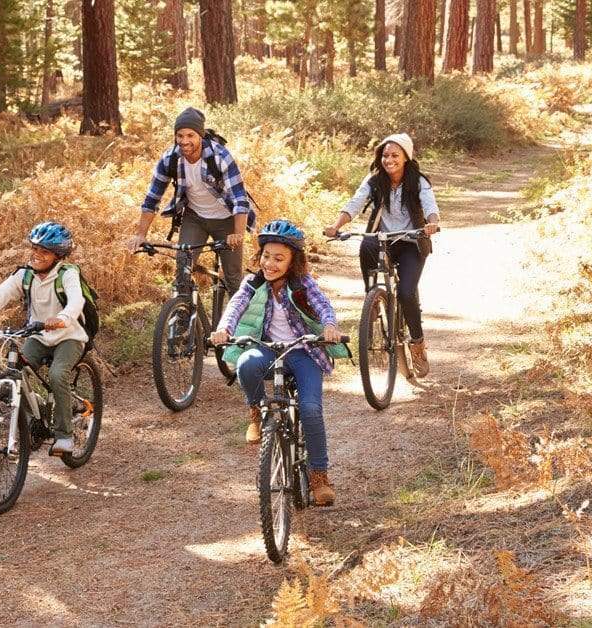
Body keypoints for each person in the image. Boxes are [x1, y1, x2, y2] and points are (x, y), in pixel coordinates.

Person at [210, 220, 343, 506]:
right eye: (266, 256)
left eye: (279, 259)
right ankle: (257, 412)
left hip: (304, 352)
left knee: (310, 409)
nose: (270, 263)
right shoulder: (252, 283)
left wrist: (329, 325)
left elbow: (322, 305)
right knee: (246, 363)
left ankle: (319, 476)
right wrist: (225, 329)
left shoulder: (303, 283)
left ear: (293, 261)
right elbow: (235, 307)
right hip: (268, 349)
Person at [0, 221, 86, 454]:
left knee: (58, 374)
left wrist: (62, 317)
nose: (37, 255)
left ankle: (64, 435)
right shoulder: (25, 275)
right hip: (38, 336)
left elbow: (76, 301)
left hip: (69, 336)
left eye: (44, 251)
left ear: (58, 255)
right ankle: (34, 417)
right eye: (35, 249)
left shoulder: (67, 274)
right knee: (15, 371)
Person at [323, 133, 440, 377]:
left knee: (407, 292)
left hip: (411, 241)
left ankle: (417, 344)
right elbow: (355, 203)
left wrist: (431, 223)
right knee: (366, 243)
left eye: (395, 155)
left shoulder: (418, 181)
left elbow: (430, 206)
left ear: (406, 158)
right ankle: (372, 297)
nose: (389, 160)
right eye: (385, 155)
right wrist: (336, 225)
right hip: (383, 239)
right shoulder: (375, 181)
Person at [126, 106, 253, 294]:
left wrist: (238, 234)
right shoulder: (170, 159)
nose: (185, 141)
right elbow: (152, 198)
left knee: (233, 278)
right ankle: (183, 318)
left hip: (226, 220)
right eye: (180, 136)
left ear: (200, 135)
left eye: (190, 135)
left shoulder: (219, 156)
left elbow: (240, 199)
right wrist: (141, 235)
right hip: (195, 218)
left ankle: (240, 322)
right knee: (182, 272)